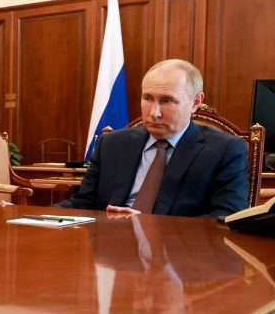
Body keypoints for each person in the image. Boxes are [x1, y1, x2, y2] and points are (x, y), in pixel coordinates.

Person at [57, 59, 248, 219]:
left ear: (195, 102)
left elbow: (226, 216)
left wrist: (150, 227)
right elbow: (83, 203)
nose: (154, 113)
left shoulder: (225, 150)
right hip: (111, 244)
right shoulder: (111, 144)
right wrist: (41, 218)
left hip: (177, 249)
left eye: (166, 100)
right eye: (148, 98)